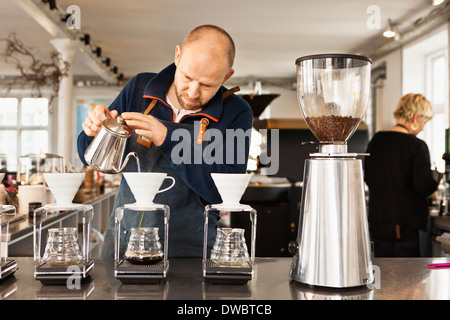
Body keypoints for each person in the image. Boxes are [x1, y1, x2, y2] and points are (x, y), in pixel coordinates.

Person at [77, 25, 253, 259]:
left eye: (208, 85)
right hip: (122, 241)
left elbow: (226, 194)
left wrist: (168, 139)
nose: (192, 92)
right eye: (187, 77)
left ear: (227, 76)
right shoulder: (139, 88)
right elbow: (87, 156)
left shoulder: (236, 112)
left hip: (189, 249)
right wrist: (94, 132)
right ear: (177, 56)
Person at [364, 93, 441, 257]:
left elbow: (368, 177)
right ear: (415, 118)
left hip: (377, 222)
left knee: (382, 276)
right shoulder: (417, 146)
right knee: (409, 278)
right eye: (424, 122)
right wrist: (436, 179)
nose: (422, 128)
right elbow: (423, 186)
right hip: (405, 226)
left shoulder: (376, 141)